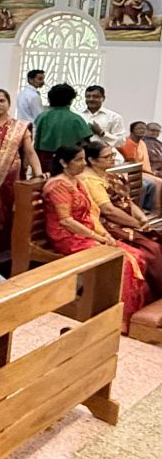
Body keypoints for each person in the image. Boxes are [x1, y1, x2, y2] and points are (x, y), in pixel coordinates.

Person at [42, 145, 149, 332]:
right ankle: (113, 318)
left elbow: (92, 212)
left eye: (84, 159)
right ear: (64, 163)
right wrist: (96, 237)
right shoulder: (58, 186)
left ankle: (121, 310)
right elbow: (66, 221)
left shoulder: (76, 181)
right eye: (78, 160)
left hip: (86, 231)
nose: (83, 164)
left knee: (137, 255)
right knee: (123, 261)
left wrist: (105, 235)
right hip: (68, 236)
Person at [80, 141, 162, 295]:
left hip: (125, 219)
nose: (112, 158)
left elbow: (127, 201)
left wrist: (141, 217)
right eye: (107, 157)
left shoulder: (109, 174)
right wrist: (135, 223)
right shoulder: (90, 180)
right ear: (92, 160)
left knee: (157, 239)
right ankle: (150, 293)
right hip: (109, 224)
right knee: (151, 249)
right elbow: (108, 210)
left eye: (112, 154)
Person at [0, 89, 42, 254]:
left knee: (6, 214)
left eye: (2, 100)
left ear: (9, 103)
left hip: (10, 180)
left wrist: (38, 173)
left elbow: (30, 152)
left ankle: (4, 252)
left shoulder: (19, 127)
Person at [33, 83, 93, 173]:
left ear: (50, 99)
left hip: (43, 159)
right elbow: (85, 143)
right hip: (69, 161)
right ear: (71, 100)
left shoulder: (42, 117)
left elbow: (34, 139)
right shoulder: (76, 119)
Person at [117, 121, 162, 213]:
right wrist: (152, 172)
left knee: (154, 182)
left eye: (143, 129)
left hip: (145, 170)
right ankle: (147, 210)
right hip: (132, 171)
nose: (142, 131)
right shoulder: (128, 143)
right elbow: (132, 164)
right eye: (139, 128)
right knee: (154, 183)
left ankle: (148, 209)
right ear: (132, 130)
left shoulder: (142, 143)